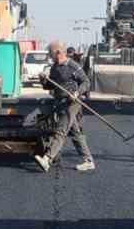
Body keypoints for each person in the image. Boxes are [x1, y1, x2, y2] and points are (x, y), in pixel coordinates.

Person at [34, 40, 94, 173]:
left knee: (61, 130)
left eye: (50, 53)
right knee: (75, 132)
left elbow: (86, 82)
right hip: (60, 102)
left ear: (58, 52)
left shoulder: (73, 66)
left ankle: (47, 159)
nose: (49, 56)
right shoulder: (55, 67)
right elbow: (50, 85)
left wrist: (77, 92)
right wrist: (44, 80)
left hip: (72, 102)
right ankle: (88, 160)